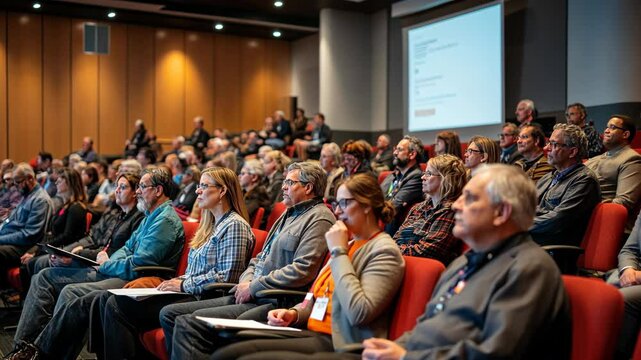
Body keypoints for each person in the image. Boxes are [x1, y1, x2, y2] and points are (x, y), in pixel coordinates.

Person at [354, 165, 571, 360]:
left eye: (469, 198)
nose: (456, 205)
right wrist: (391, 349)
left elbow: (497, 353)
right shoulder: (461, 263)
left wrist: (405, 358)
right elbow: (427, 326)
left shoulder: (529, 269)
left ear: (501, 212)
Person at [209, 174, 405, 359]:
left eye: (344, 203)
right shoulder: (349, 243)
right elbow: (316, 296)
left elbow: (359, 312)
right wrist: (294, 314)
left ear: (366, 206)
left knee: (235, 355)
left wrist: (338, 253)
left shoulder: (382, 251)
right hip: (310, 330)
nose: (337, 211)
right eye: (337, 203)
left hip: (340, 343)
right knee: (228, 348)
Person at [161, 161, 335, 357]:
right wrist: (246, 282)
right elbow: (259, 258)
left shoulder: (319, 218)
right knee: (173, 315)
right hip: (254, 293)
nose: (283, 187)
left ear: (308, 187)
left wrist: (253, 286)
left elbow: (302, 270)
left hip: (277, 299)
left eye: (289, 182)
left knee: (190, 323)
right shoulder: (289, 214)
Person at [7, 168, 185, 360]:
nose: (138, 191)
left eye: (142, 186)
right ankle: (28, 349)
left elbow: (140, 263)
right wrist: (108, 261)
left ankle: (38, 353)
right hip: (123, 272)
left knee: (70, 292)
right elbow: (127, 248)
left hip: (141, 279)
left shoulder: (165, 220)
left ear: (158, 190)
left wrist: (107, 265)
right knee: (48, 278)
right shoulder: (152, 216)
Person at [91, 167, 256, 359]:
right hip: (191, 289)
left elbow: (228, 276)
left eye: (204, 186)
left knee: (117, 306)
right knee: (113, 302)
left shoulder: (234, 225)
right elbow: (196, 270)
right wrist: (177, 282)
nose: (197, 190)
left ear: (222, 191)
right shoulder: (210, 224)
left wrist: (183, 284)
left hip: (206, 295)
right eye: (199, 185)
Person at [28, 172, 144, 272]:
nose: (117, 191)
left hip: (107, 263)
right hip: (96, 254)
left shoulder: (137, 218)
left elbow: (115, 250)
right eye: (116, 186)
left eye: (122, 187)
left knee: (45, 268)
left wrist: (81, 253)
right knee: (45, 263)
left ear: (135, 192)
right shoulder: (119, 214)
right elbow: (98, 239)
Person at [530, 123, 600, 246]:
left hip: (552, 249)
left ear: (572, 152)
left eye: (553, 144)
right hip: (531, 239)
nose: (546, 148)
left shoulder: (584, 180)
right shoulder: (547, 178)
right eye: (548, 143)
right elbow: (527, 207)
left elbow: (558, 220)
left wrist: (518, 225)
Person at [20, 168, 89, 289]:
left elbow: (67, 236)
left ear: (69, 183)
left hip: (66, 249)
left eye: (60, 180)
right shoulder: (65, 205)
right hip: (56, 246)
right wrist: (36, 249)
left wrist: (40, 251)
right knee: (27, 261)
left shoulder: (76, 208)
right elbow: (53, 234)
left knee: (32, 262)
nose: (56, 183)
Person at [394, 154, 466, 265]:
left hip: (422, 270)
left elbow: (427, 251)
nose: (422, 177)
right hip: (400, 264)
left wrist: (392, 253)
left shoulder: (451, 211)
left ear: (445, 179)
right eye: (424, 173)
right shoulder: (418, 208)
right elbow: (396, 238)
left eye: (429, 174)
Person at [585, 115, 641, 232]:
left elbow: (623, 202)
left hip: (603, 224)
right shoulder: (594, 159)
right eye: (606, 127)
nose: (606, 130)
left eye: (612, 127)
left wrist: (586, 209)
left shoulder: (632, 159)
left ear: (625, 134)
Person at [0, 163, 53, 284]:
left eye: (18, 182)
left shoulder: (40, 200)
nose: (16, 187)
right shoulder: (27, 195)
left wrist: (1, 238)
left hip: (24, 246)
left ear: (30, 178)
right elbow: (13, 221)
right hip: (13, 240)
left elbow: (29, 235)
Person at [380, 136, 425, 236]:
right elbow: (376, 197)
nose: (395, 153)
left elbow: (393, 206)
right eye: (395, 149)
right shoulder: (393, 175)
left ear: (412, 154)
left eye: (399, 150)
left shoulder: (417, 177)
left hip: (396, 234)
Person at [239, 159, 271, 227]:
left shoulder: (259, 195)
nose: (239, 176)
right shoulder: (246, 192)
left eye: (243, 173)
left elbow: (241, 215)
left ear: (254, 177)